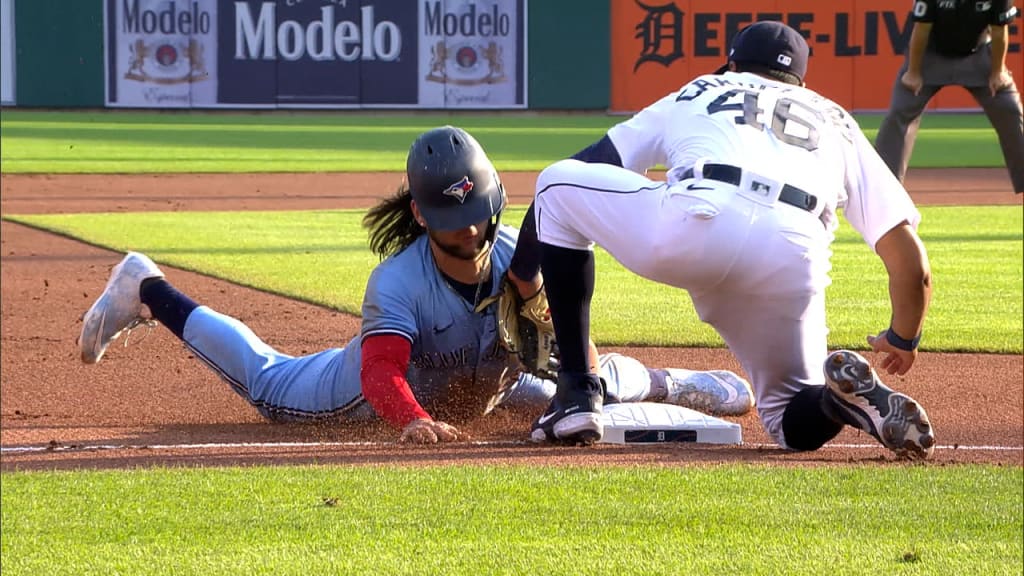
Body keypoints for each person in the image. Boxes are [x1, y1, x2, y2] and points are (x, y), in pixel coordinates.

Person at [77, 126, 753, 444]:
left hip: (485, 382)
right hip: (356, 396)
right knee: (263, 379)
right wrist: (414, 420)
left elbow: (557, 344)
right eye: (455, 221)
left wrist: (550, 327)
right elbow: (380, 374)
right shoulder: (396, 284)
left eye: (479, 214)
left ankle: (671, 381)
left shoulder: (521, 254)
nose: (472, 231)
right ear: (424, 215)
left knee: (575, 381)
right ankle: (147, 286)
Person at [509, 21, 937, 459]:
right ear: (802, 82)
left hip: (697, 223)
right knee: (791, 422)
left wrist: (524, 272)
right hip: (793, 250)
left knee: (555, 187)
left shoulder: (703, 89)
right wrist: (903, 337)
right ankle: (835, 401)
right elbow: (912, 266)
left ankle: (577, 394)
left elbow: (600, 162)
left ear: (732, 64)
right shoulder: (835, 120)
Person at [875, 0, 1022, 194]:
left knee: (1009, 107)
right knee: (900, 111)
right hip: (930, 56)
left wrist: (998, 71)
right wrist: (913, 72)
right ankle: (882, 188)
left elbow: (998, 31)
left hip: (977, 55)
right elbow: (921, 29)